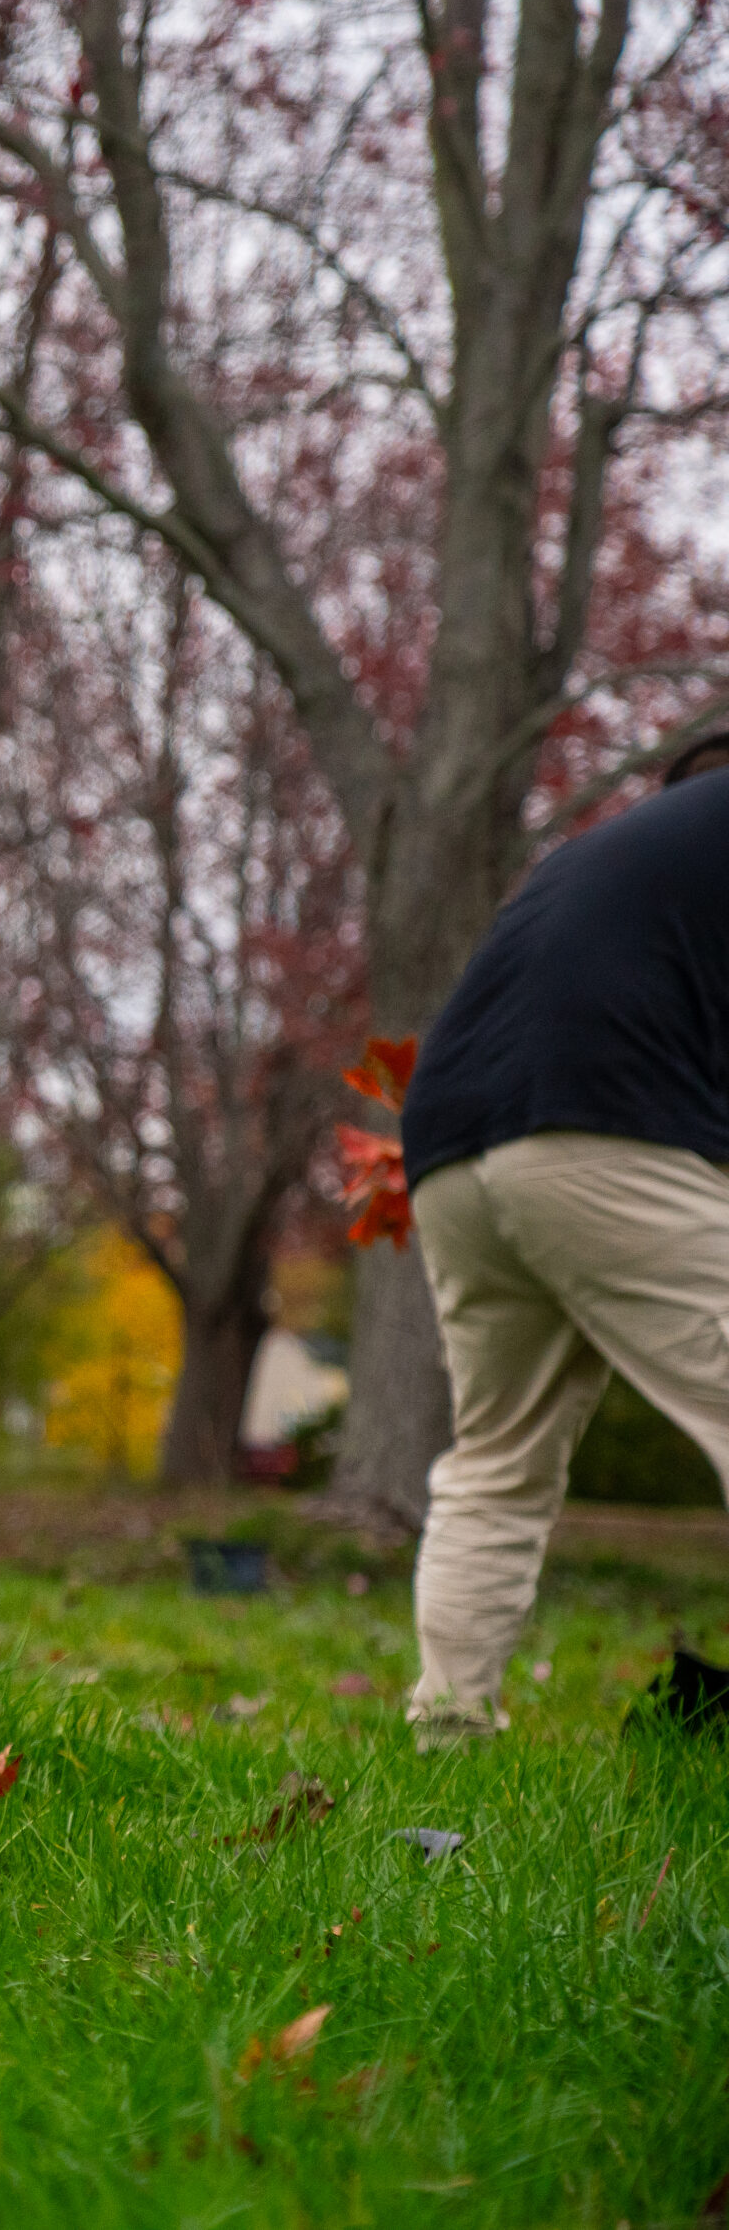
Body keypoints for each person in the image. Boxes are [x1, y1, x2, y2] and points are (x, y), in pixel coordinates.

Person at [398, 728, 729, 1752]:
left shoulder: (615, 855)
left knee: (497, 1458)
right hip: (602, 1127)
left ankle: (446, 1730)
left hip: (451, 1143)